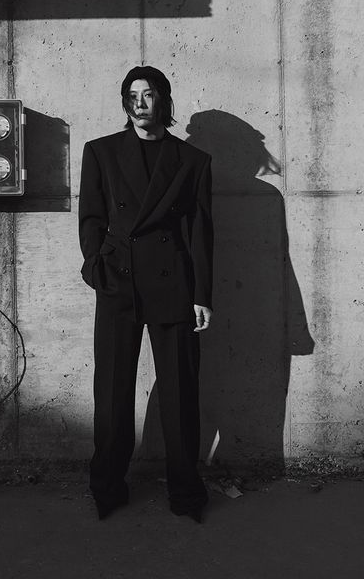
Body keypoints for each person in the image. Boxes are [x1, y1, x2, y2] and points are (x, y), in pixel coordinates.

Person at [78, 65, 213, 523]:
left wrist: (202, 294)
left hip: (173, 284)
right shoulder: (100, 152)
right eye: (132, 95)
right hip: (118, 280)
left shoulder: (192, 161)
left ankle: (186, 492)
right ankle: (107, 488)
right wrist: (96, 267)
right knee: (112, 393)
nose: (140, 102)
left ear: (164, 100)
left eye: (149, 94)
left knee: (180, 394)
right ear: (124, 102)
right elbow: (91, 217)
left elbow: (200, 233)